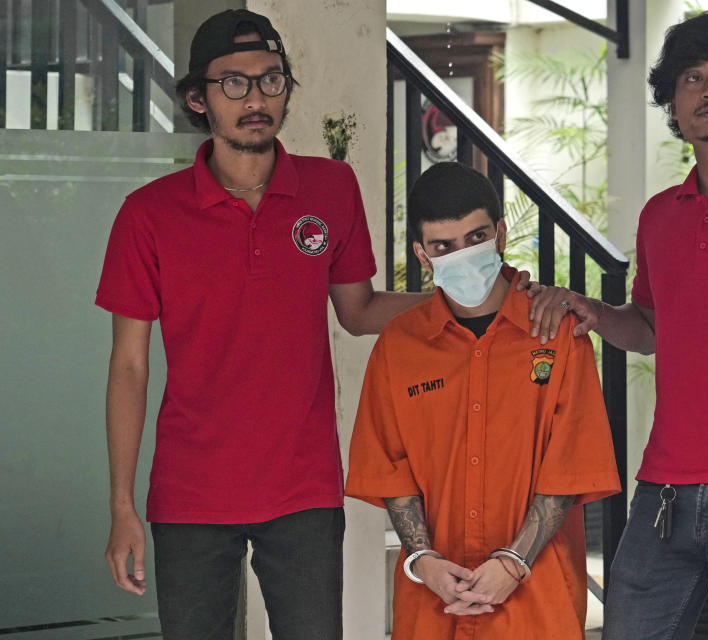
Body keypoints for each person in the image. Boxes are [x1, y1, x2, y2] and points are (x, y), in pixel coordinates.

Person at [96, 9, 430, 637]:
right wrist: (121, 508)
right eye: (234, 83)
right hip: (191, 493)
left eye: (271, 80)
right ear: (199, 97)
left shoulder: (332, 188)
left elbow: (358, 312)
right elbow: (129, 365)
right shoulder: (148, 215)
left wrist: (468, 299)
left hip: (303, 489)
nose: (256, 98)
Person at [527, 10, 708, 639]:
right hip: (663, 490)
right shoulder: (661, 215)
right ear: (674, 100)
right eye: (693, 77)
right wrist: (596, 314)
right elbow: (654, 327)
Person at [345, 162, 621, 639]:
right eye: (443, 247)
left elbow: (572, 465)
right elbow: (391, 470)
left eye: (476, 238)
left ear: (500, 232)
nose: (463, 255)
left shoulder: (559, 335)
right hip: (432, 603)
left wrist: (513, 562)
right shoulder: (398, 347)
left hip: (538, 601)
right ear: (422, 254)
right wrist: (423, 560)